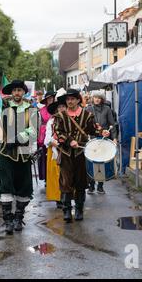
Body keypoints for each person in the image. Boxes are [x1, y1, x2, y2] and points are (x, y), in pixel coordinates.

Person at [55, 89, 109, 223]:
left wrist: (103, 132)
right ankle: (67, 210)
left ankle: (79, 209)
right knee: (66, 182)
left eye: (72, 99)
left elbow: (93, 129)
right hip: (66, 153)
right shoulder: (60, 116)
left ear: (78, 100)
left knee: (80, 182)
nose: (70, 101)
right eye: (68, 99)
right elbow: (58, 132)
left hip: (81, 153)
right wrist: (69, 141)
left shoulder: (87, 115)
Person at [0, 80, 37, 235]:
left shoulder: (31, 110)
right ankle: (8, 221)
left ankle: (18, 218)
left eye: (20, 90)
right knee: (5, 186)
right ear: (11, 93)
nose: (17, 93)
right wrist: (3, 139)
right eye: (14, 91)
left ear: (24, 92)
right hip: (7, 153)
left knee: (23, 187)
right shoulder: (4, 108)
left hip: (24, 154)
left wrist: (19, 137)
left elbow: (33, 131)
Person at [85, 92, 118, 194]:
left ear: (102, 99)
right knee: (91, 162)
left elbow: (112, 124)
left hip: (104, 137)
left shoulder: (107, 109)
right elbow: (85, 124)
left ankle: (100, 186)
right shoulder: (88, 109)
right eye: (95, 97)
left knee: (101, 162)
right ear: (92, 98)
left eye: (99, 98)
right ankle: (91, 186)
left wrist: (114, 138)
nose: (97, 99)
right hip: (92, 138)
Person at [44, 90, 67, 209]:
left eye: (64, 106)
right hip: (55, 151)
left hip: (68, 151)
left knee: (67, 176)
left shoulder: (71, 120)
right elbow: (47, 138)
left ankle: (67, 197)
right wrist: (57, 143)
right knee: (57, 176)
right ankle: (58, 198)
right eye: (60, 107)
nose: (62, 108)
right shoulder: (51, 121)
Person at [37, 91, 56, 183]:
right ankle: (46, 177)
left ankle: (54, 177)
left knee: (55, 155)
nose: (50, 99)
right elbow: (38, 123)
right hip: (43, 134)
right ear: (45, 100)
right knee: (44, 156)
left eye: (52, 98)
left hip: (55, 132)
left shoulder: (57, 108)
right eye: (48, 98)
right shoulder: (41, 110)